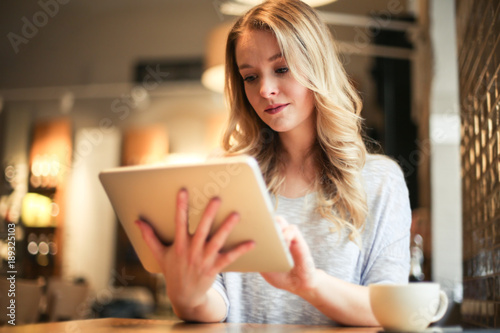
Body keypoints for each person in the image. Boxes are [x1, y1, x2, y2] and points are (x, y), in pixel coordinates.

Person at [136, 0, 411, 326]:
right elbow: (216, 304)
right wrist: (186, 294)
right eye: (250, 77)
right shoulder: (224, 175)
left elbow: (391, 310)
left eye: (281, 69)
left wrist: (310, 284)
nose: (265, 90)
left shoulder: (380, 180)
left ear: (317, 67)